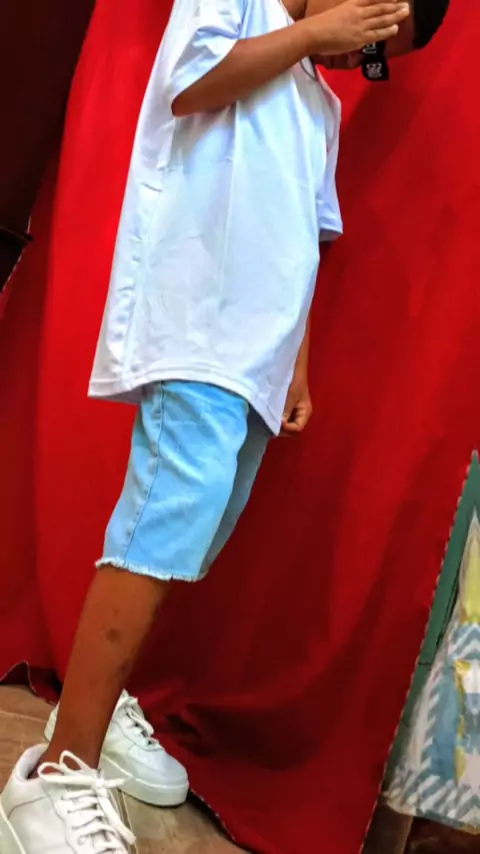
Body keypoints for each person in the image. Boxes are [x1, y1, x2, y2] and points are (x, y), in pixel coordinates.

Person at [0, 0, 450, 851]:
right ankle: (58, 770)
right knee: (163, 527)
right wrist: (312, 34)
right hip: (196, 326)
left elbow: (308, 242)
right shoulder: (237, 9)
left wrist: (296, 364)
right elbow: (191, 85)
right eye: (373, 31)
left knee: (193, 540)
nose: (362, 56)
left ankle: (99, 702)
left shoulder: (319, 108)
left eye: (379, 56)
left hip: (256, 360)